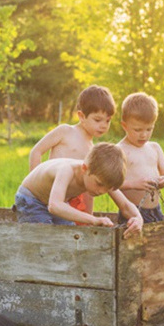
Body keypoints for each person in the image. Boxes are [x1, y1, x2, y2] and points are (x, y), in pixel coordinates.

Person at [15, 142, 144, 236]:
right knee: (44, 238)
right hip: (31, 199)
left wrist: (138, 218)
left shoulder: (101, 176)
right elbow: (54, 206)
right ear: (84, 168)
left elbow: (125, 205)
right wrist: (93, 220)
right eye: (99, 184)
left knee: (70, 237)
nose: (101, 191)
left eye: (107, 188)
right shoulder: (67, 170)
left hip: (57, 202)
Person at [28, 85, 116, 223]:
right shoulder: (65, 132)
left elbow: (89, 189)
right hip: (41, 194)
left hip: (63, 201)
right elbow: (36, 151)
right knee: (42, 232)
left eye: (108, 120)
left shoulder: (92, 152)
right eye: (98, 120)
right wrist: (35, 182)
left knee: (65, 235)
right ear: (81, 116)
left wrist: (89, 218)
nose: (104, 125)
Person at [116, 92, 164, 223]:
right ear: (124, 126)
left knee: (156, 241)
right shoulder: (120, 150)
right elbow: (110, 185)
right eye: (138, 130)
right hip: (132, 212)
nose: (144, 135)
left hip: (156, 210)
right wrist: (134, 184)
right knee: (133, 243)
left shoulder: (155, 148)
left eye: (149, 129)